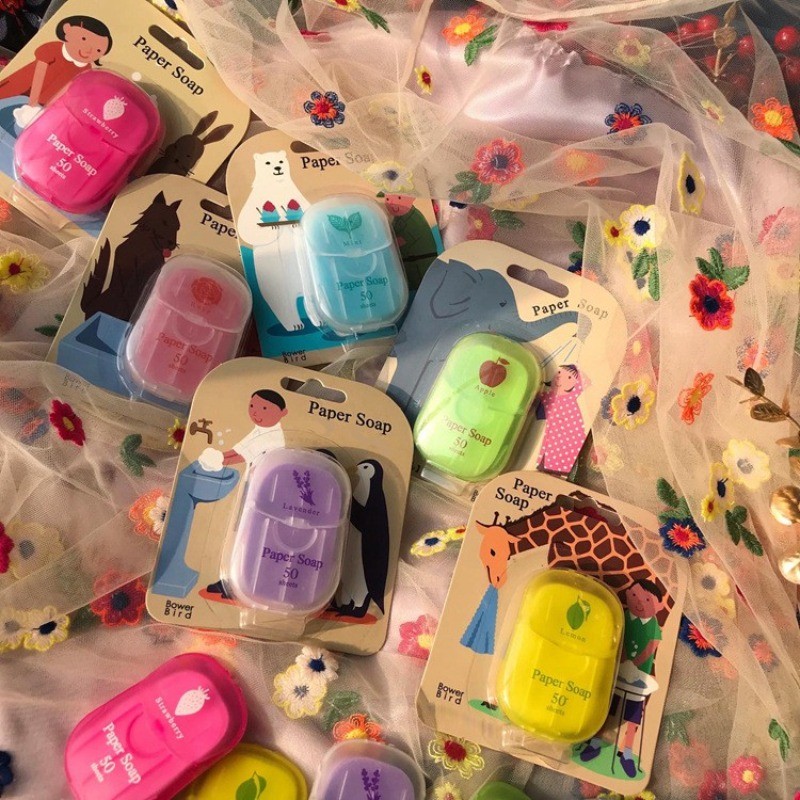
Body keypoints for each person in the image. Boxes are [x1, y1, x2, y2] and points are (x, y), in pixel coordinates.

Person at [579, 579, 665, 778]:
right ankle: (596, 743)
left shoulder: (653, 625)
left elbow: (651, 646)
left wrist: (635, 662)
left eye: (646, 599)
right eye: (634, 595)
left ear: (658, 605)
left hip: (639, 677)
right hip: (616, 672)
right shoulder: (623, 615)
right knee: (608, 709)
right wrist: (623, 658)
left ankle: (626, 753)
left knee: (633, 718)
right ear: (627, 595)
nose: (639, 602)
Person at [0, 15, 112, 127]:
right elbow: (39, 73)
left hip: (45, 104)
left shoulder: (86, 69)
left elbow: (72, 93)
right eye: (83, 39)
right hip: (22, 88)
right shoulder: (55, 49)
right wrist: (33, 103)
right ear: (67, 29)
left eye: (98, 50)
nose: (88, 50)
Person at [535, 364, 587, 475]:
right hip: (554, 438)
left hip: (566, 439)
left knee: (554, 457)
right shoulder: (550, 396)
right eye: (559, 372)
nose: (560, 377)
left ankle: (555, 468)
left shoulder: (566, 401)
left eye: (569, 377)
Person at [383, 193, 439, 290]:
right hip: (410, 262)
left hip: (421, 262)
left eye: (399, 198)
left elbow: (402, 240)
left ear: (410, 199)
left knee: (422, 285)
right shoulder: (398, 218)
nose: (392, 203)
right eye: (388, 199)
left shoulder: (413, 218)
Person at [222, 389, 288, 466]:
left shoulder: (272, 436)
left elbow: (243, 456)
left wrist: (217, 462)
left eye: (264, 408)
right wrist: (219, 456)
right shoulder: (260, 429)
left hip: (264, 470)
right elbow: (240, 448)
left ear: (283, 412)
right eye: (252, 406)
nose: (255, 413)